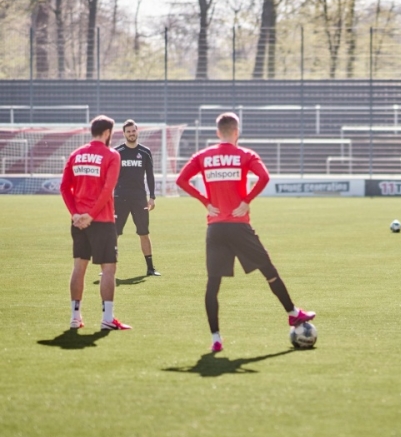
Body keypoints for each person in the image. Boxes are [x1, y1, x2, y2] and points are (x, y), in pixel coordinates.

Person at [176, 112, 315, 353]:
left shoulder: (203, 157)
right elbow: (264, 176)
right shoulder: (245, 155)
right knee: (268, 271)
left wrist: (205, 201)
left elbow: (181, 180)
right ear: (236, 132)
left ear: (218, 132)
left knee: (213, 285)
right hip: (239, 226)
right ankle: (293, 313)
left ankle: (216, 338)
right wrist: (247, 200)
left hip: (215, 227)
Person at [60, 115, 131, 330]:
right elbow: (107, 189)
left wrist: (75, 214)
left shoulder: (76, 154)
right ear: (108, 132)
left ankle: (75, 317)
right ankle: (107, 319)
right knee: (108, 269)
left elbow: (64, 187)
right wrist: (91, 214)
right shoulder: (112, 155)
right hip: (101, 220)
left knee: (79, 268)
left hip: (78, 221)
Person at [114, 119, 160, 276]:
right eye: (128, 131)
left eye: (133, 131)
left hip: (140, 199)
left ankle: (151, 268)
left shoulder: (145, 152)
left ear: (137, 131)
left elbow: (150, 176)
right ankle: (108, 267)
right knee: (114, 233)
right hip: (120, 198)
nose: (131, 134)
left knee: (144, 233)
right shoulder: (117, 152)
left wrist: (152, 196)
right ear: (124, 133)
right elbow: (111, 176)